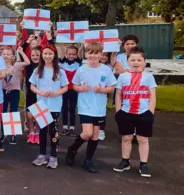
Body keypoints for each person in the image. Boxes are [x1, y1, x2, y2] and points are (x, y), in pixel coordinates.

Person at [65, 42, 116, 173]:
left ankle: (88, 160)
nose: (93, 56)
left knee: (95, 135)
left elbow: (111, 87)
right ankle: (73, 149)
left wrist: (102, 90)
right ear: (86, 54)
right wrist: (80, 88)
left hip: (99, 108)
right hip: (85, 106)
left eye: (96, 53)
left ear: (101, 55)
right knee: (87, 133)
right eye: (90, 53)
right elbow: (74, 86)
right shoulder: (81, 69)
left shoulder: (106, 70)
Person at [113, 47, 156, 178]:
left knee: (142, 138)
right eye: (133, 60)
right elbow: (119, 94)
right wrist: (118, 111)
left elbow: (152, 95)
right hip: (126, 112)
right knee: (126, 138)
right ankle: (125, 161)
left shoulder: (149, 77)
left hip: (143, 112)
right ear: (128, 61)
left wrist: (151, 112)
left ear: (144, 61)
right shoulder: (122, 76)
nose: (136, 62)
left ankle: (143, 164)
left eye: (139, 60)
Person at [29, 45, 68, 169]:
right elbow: (32, 86)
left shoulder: (60, 71)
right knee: (42, 131)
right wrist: (40, 92)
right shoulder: (37, 70)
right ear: (42, 55)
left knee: (53, 132)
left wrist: (56, 93)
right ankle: (41, 154)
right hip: (41, 105)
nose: (47, 56)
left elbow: (65, 87)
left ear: (54, 55)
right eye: (45, 53)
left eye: (50, 54)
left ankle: (53, 156)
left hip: (55, 106)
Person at [1, 46, 30, 145]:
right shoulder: (0, 65)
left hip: (14, 91)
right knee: (3, 111)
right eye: (4, 54)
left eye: (8, 54)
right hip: (3, 91)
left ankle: (13, 134)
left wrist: (21, 52)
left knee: (13, 111)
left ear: (13, 57)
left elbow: (28, 62)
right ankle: (3, 132)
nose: (6, 56)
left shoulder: (17, 65)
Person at [58, 45, 82, 137]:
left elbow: (80, 54)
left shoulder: (78, 63)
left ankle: (72, 127)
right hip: (64, 89)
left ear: (76, 55)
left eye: (73, 54)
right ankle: (64, 127)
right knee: (64, 108)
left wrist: (80, 48)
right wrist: (62, 49)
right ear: (66, 54)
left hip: (74, 89)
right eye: (69, 54)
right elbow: (61, 55)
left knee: (72, 109)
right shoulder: (62, 62)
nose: (71, 56)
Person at [25, 46, 42, 144]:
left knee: (39, 114)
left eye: (37, 55)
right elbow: (22, 51)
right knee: (30, 114)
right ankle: (31, 132)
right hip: (30, 92)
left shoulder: (43, 66)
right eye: (33, 55)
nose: (35, 57)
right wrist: (26, 44)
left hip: (40, 93)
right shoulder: (28, 64)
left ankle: (38, 133)